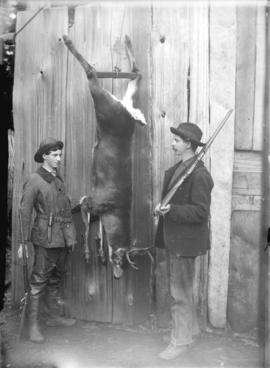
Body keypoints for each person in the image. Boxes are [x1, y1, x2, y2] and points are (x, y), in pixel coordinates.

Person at [154, 122, 214, 360]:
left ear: (188, 144)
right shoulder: (178, 169)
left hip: (185, 243)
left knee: (179, 293)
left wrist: (172, 210)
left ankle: (179, 342)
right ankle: (189, 332)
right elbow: (173, 203)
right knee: (181, 290)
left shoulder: (199, 174)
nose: (172, 143)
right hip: (174, 240)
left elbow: (201, 212)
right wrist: (162, 209)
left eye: (176, 140)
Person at [19, 137, 77, 343]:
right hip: (45, 238)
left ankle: (52, 317)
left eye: (60, 155)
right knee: (38, 282)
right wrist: (23, 242)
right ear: (44, 156)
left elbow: (62, 209)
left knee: (56, 278)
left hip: (63, 237)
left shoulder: (58, 179)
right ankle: (33, 326)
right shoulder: (35, 180)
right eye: (55, 155)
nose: (59, 158)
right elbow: (24, 212)